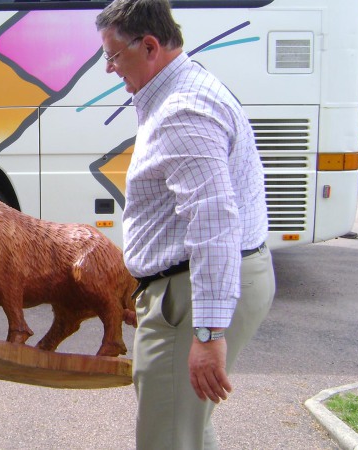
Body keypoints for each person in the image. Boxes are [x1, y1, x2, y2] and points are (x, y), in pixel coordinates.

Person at [95, 1, 276, 448]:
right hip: (186, 290)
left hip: (189, 295)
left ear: (150, 46)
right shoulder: (181, 91)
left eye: (114, 56)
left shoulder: (183, 111)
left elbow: (214, 224)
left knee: (168, 438)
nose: (109, 69)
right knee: (186, 428)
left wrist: (209, 333)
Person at [341, 104, 358, 239]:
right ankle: (342, 226)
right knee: (347, 187)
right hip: (348, 146)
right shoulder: (354, 97)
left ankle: (341, 225)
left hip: (342, 143)